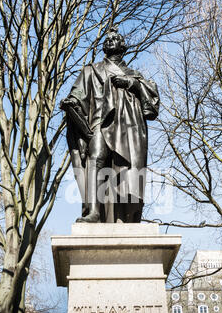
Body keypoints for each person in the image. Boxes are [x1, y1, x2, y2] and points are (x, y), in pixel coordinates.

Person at [60, 26, 159, 223]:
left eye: (116, 38)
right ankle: (94, 212)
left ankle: (126, 214)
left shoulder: (134, 75)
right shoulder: (90, 71)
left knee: (126, 170)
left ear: (123, 46)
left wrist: (132, 84)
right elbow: (77, 94)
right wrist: (72, 102)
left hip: (128, 128)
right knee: (95, 158)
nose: (111, 40)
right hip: (100, 122)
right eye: (108, 39)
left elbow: (152, 105)